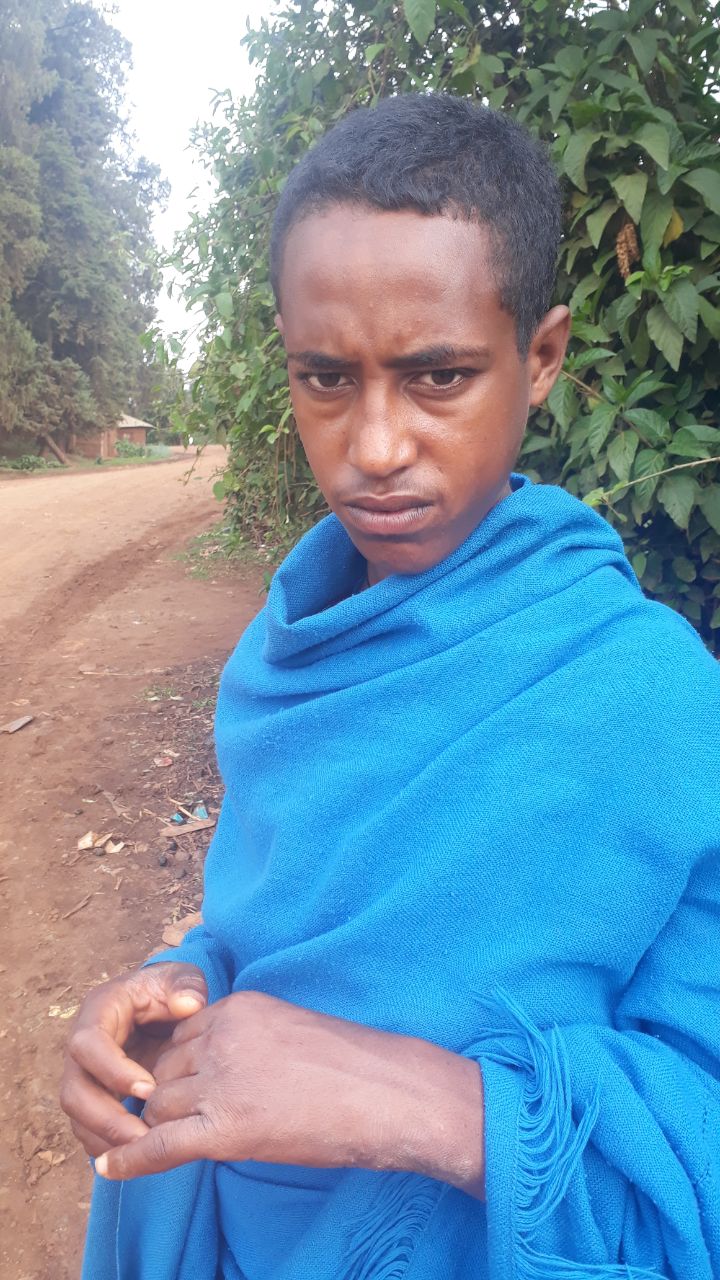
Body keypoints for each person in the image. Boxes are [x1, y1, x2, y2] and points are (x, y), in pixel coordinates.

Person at [62, 94, 720, 1280]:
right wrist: (179, 989)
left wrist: (413, 1099)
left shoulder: (656, 703)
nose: (373, 447)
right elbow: (272, 933)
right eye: (326, 377)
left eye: (439, 376)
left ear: (543, 358)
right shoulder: (282, 662)